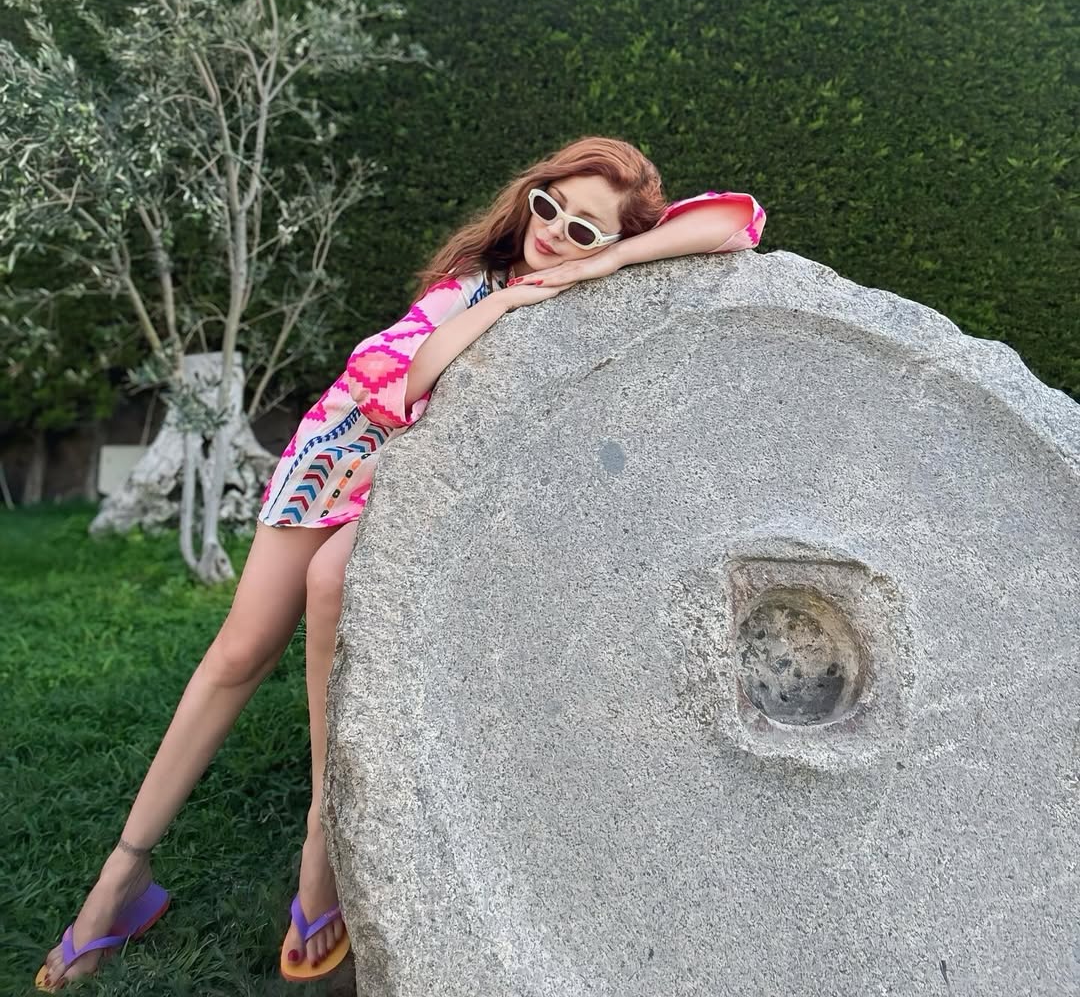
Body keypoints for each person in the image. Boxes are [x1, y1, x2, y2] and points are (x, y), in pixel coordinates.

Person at [37, 136, 766, 990]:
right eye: (549, 206)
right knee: (237, 653)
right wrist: (509, 299)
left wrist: (603, 264)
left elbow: (740, 221)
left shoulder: (592, 283)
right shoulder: (476, 282)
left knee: (331, 585)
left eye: (581, 228)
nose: (554, 231)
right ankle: (123, 874)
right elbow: (396, 378)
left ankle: (322, 849)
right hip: (337, 453)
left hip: (413, 479)